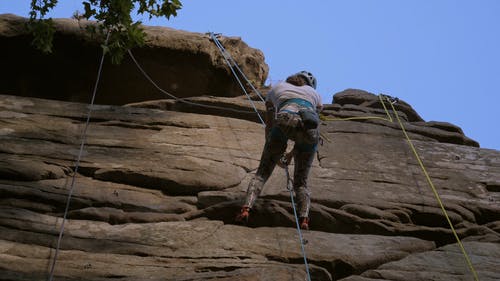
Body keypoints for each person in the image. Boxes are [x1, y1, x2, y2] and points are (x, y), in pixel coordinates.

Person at [236, 71, 322, 230]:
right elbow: (311, 124)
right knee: (301, 183)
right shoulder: (315, 94)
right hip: (311, 131)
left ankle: (246, 209)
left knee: (261, 174)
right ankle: (304, 219)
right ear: (309, 85)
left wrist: (271, 141)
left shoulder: (277, 88)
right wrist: (290, 155)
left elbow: (270, 120)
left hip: (284, 120)